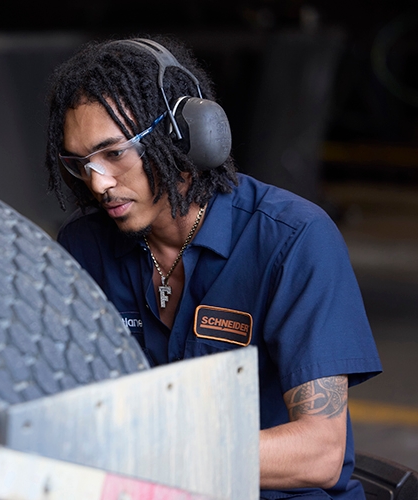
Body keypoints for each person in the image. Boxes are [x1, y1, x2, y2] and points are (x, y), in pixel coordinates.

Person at [43, 35, 382, 499]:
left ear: (184, 135)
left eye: (115, 153)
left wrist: (148, 454)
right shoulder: (85, 247)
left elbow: (320, 454)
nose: (99, 183)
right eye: (81, 163)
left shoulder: (293, 240)